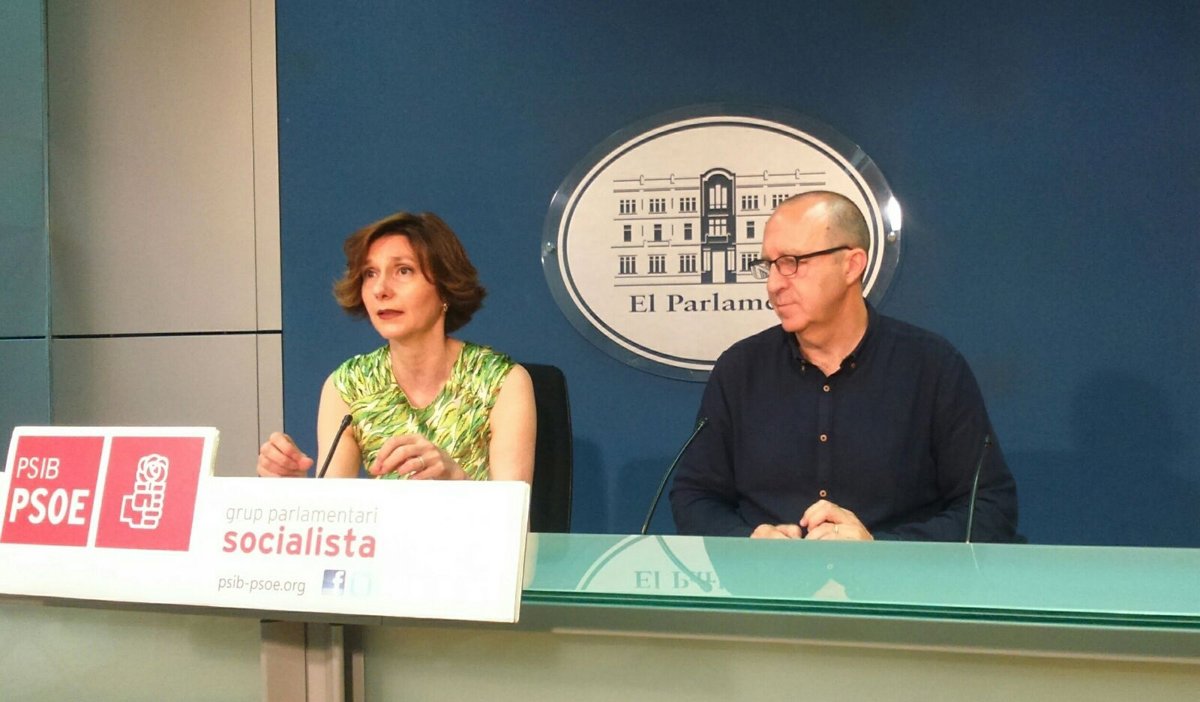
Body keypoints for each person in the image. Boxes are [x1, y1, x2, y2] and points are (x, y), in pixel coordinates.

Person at [669, 191, 1018, 541]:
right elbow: (694, 496)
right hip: (768, 574)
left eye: (792, 262)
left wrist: (880, 550)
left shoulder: (932, 367)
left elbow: (990, 508)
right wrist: (749, 539)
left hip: (895, 575)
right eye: (769, 265)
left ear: (851, 265)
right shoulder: (740, 370)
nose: (774, 284)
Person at [256, 211, 536, 482]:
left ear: (445, 287)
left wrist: (456, 479)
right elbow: (333, 504)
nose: (381, 290)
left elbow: (514, 509)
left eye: (403, 271)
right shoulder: (350, 386)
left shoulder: (500, 382)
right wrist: (296, 485)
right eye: (370, 273)